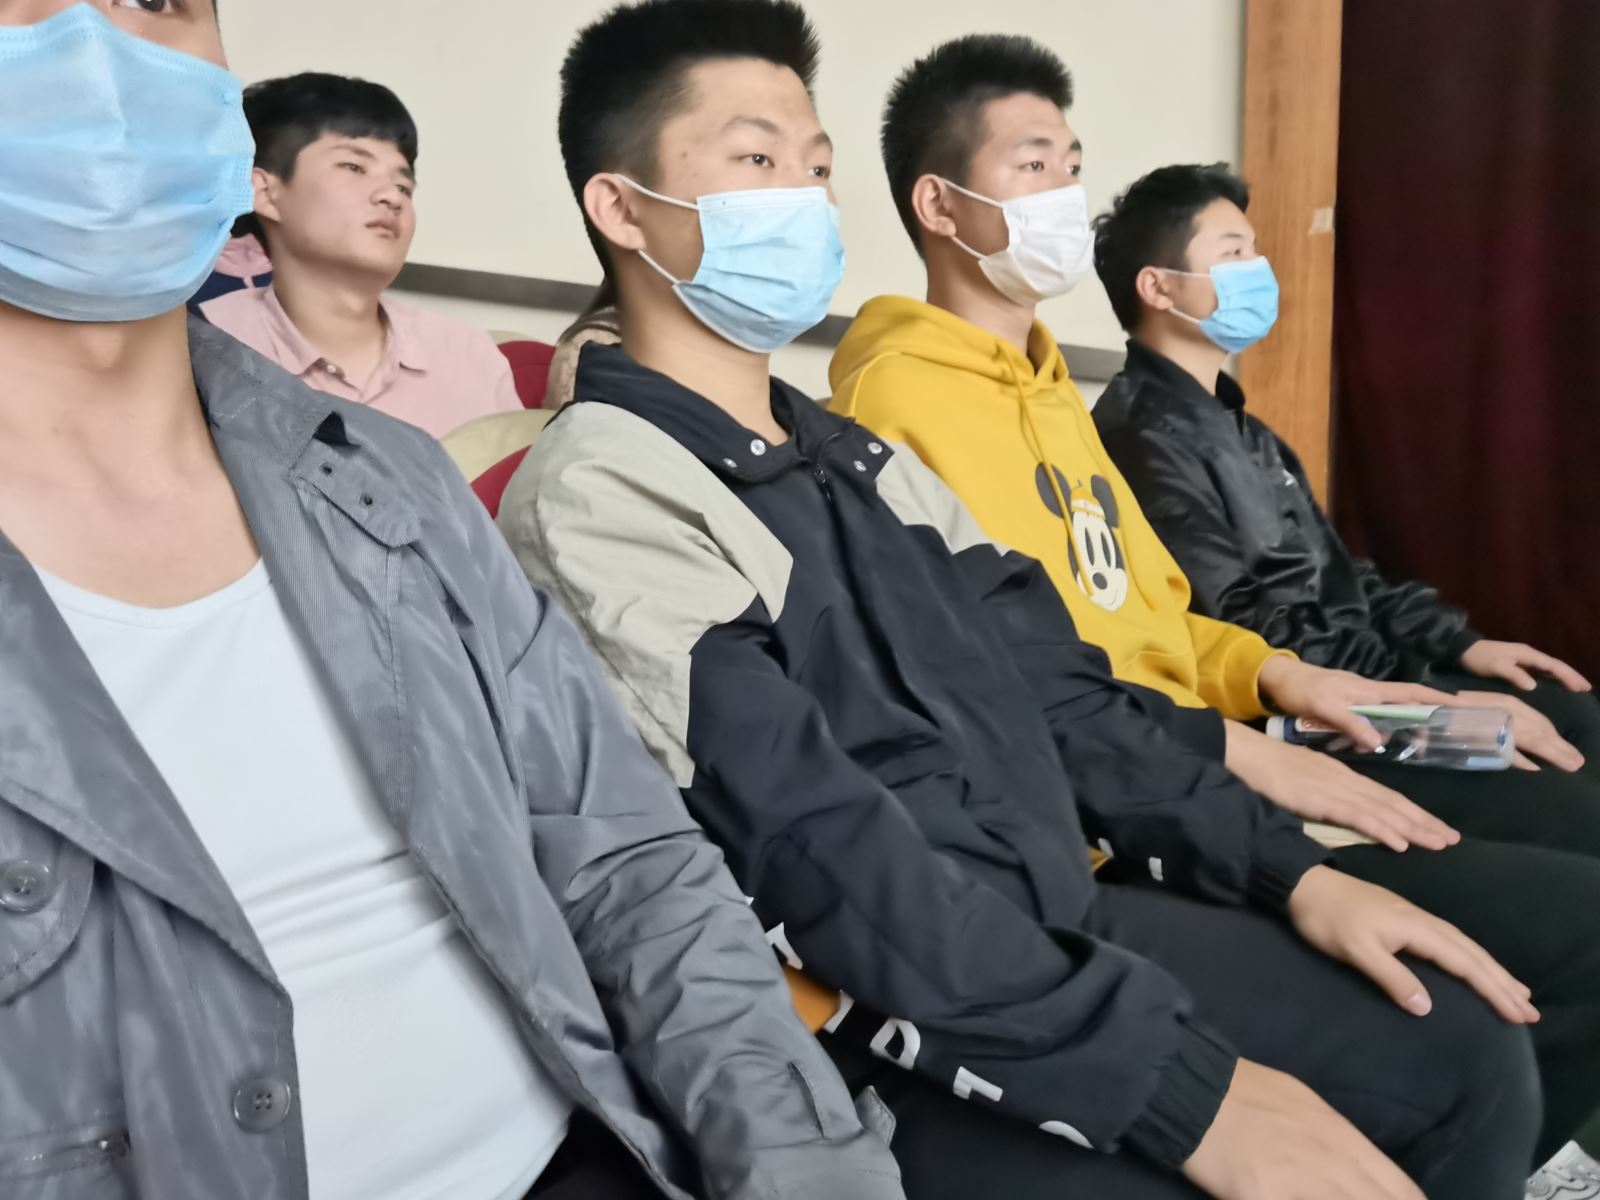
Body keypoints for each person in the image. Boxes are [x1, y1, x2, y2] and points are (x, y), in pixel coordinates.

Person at [499, 3, 1544, 1197]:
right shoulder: (603, 488)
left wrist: (1284, 870)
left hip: (1045, 916)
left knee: (1463, 1051)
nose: (804, 199)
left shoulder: (853, 458)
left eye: (816, 167)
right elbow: (812, 844)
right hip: (870, 1006)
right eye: (755, 159)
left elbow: (1059, 688)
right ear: (621, 207)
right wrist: (1178, 1089)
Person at [0, 4, 904, 1199]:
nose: (100, 49)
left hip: (596, 1149)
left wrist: (801, 1164)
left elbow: (630, 861)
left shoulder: (393, 476)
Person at [826, 34, 1600, 1171]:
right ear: (941, 204)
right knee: (1559, 865)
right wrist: (1325, 712)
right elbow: (1041, 677)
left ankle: (1529, 1149)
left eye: (1071, 164)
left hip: (1274, 718)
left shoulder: (1108, 398)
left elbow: (1198, 611)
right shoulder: (938, 406)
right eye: (1034, 165)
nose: (1065, 194)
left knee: (1565, 741)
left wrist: (1345, 673)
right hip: (1190, 769)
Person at [1088, 162, 1600, 775]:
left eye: (1254, 249)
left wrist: (1460, 645)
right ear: (1158, 287)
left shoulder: (1246, 431)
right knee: (1566, 793)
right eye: (1234, 252)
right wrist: (1431, 695)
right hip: (1304, 714)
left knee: (1575, 713)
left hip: (1365, 681)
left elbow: (1339, 578)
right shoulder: (1139, 439)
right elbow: (1242, 627)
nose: (1258, 267)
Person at [202, 72, 521, 438]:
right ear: (265, 192)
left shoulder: (471, 357)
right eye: (354, 167)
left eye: (404, 185)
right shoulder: (202, 346)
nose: (392, 196)